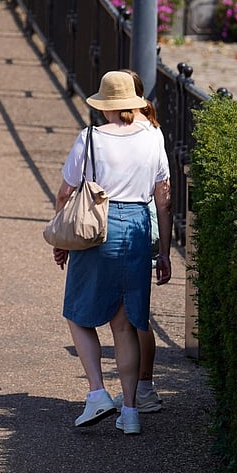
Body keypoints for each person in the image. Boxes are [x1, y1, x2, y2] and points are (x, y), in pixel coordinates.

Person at [52, 70, 172, 435]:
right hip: (136, 226)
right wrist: (164, 252)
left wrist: (61, 239)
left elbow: (65, 193)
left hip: (97, 226)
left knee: (77, 313)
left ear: (104, 105)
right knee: (125, 324)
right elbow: (164, 200)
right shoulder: (154, 137)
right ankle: (132, 411)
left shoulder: (91, 139)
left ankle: (97, 393)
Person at [109, 69, 164, 413]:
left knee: (133, 315)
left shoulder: (139, 131)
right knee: (134, 312)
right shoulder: (151, 128)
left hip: (137, 221)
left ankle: (143, 389)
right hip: (147, 221)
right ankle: (142, 387)